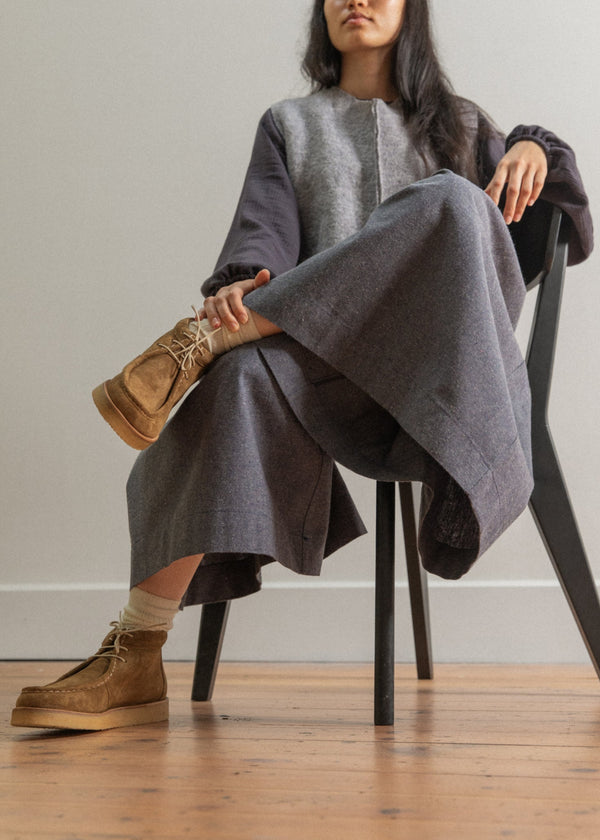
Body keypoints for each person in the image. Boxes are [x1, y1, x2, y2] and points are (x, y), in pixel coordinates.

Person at [12, 0, 593, 731]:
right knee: (239, 375)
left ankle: (204, 341)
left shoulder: (468, 128)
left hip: (446, 374)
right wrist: (243, 287)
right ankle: (136, 648)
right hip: (335, 375)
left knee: (450, 198)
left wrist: (538, 146)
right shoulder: (289, 125)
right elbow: (263, 236)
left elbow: (552, 233)